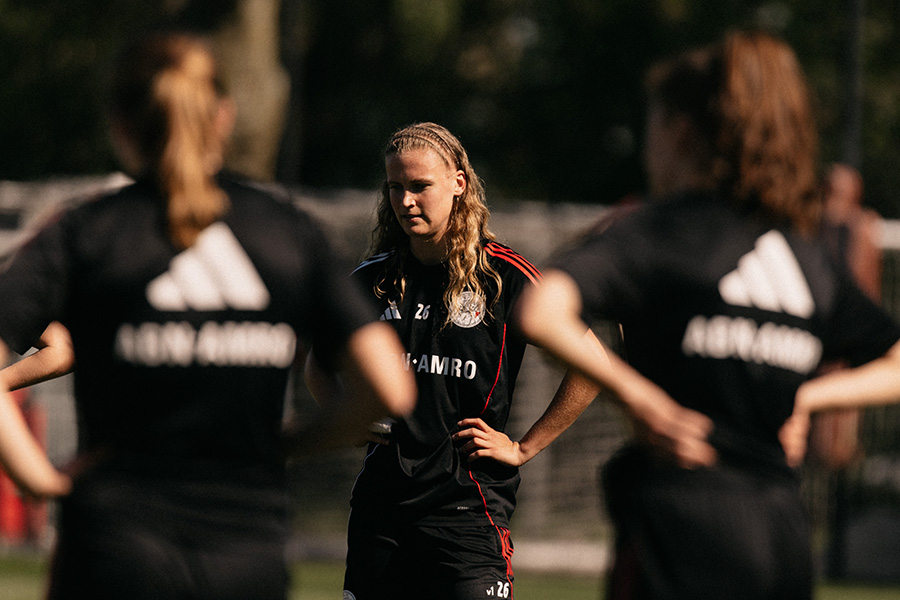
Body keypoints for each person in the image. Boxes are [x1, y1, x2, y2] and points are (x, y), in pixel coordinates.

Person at [0, 31, 415, 600]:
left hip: (112, 552)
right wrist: (288, 442)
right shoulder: (286, 232)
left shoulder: (83, 232)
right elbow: (390, 387)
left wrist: (39, 479)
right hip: (244, 559)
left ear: (120, 125)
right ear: (223, 117)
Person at [514, 31, 900, 599]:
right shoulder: (800, 250)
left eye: (650, 128)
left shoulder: (662, 231)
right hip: (780, 534)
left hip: (678, 523)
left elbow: (540, 307)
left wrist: (641, 397)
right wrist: (807, 396)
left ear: (679, 133)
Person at [306, 122, 604, 600]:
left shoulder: (504, 277)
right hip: (382, 511)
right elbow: (317, 361)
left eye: (420, 186)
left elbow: (592, 362)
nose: (406, 201)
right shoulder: (372, 280)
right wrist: (348, 417)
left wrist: (525, 447)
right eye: (396, 188)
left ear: (458, 183)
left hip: (470, 511)